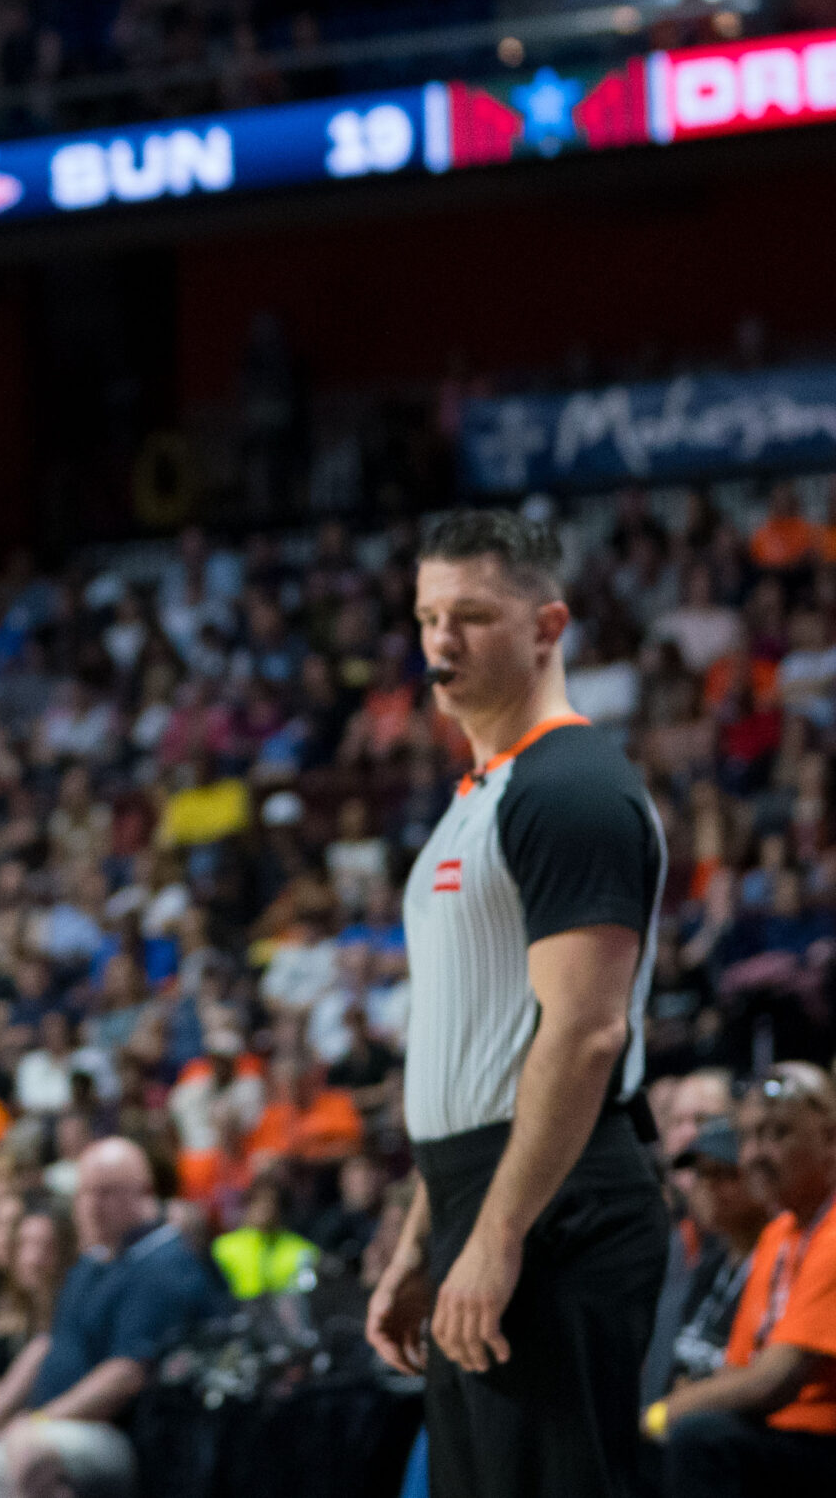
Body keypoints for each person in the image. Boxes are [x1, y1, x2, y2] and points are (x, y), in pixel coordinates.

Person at [365, 511, 670, 1498]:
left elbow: (583, 1033)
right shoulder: (483, 792)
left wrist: (497, 1235)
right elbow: (475, 1052)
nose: (440, 642)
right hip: (487, 1192)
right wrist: (425, 1239)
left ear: (548, 627)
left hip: (554, 1205)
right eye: (427, 617)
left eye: (471, 616)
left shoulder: (570, 787)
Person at [0, 1139, 222, 1498]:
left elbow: (127, 1374)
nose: (91, 1206)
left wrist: (41, 1420)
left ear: (144, 1193)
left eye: (105, 1193)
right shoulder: (94, 1260)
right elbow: (47, 1343)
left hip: (128, 1437)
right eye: (85, 1193)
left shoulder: (163, 1266)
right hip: (59, 1423)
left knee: (20, 1456)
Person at [648, 1063, 836, 1492]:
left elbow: (771, 1381)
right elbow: (737, 1369)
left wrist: (661, 1414)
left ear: (830, 1138)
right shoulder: (779, 1234)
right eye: (747, 1137)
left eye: (777, 1134)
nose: (753, 1156)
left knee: (697, 1438)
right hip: (779, 1435)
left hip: (818, 1438)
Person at [643, 1116, 776, 1404]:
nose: (708, 1186)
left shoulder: (776, 1263)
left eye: (725, 1174)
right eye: (702, 1173)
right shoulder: (710, 1266)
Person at [212, 1172, 320, 1300]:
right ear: (247, 1205)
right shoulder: (222, 1248)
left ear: (281, 1210)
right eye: (257, 1202)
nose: (265, 1210)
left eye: (272, 1203)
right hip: (239, 1309)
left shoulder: (302, 1251)